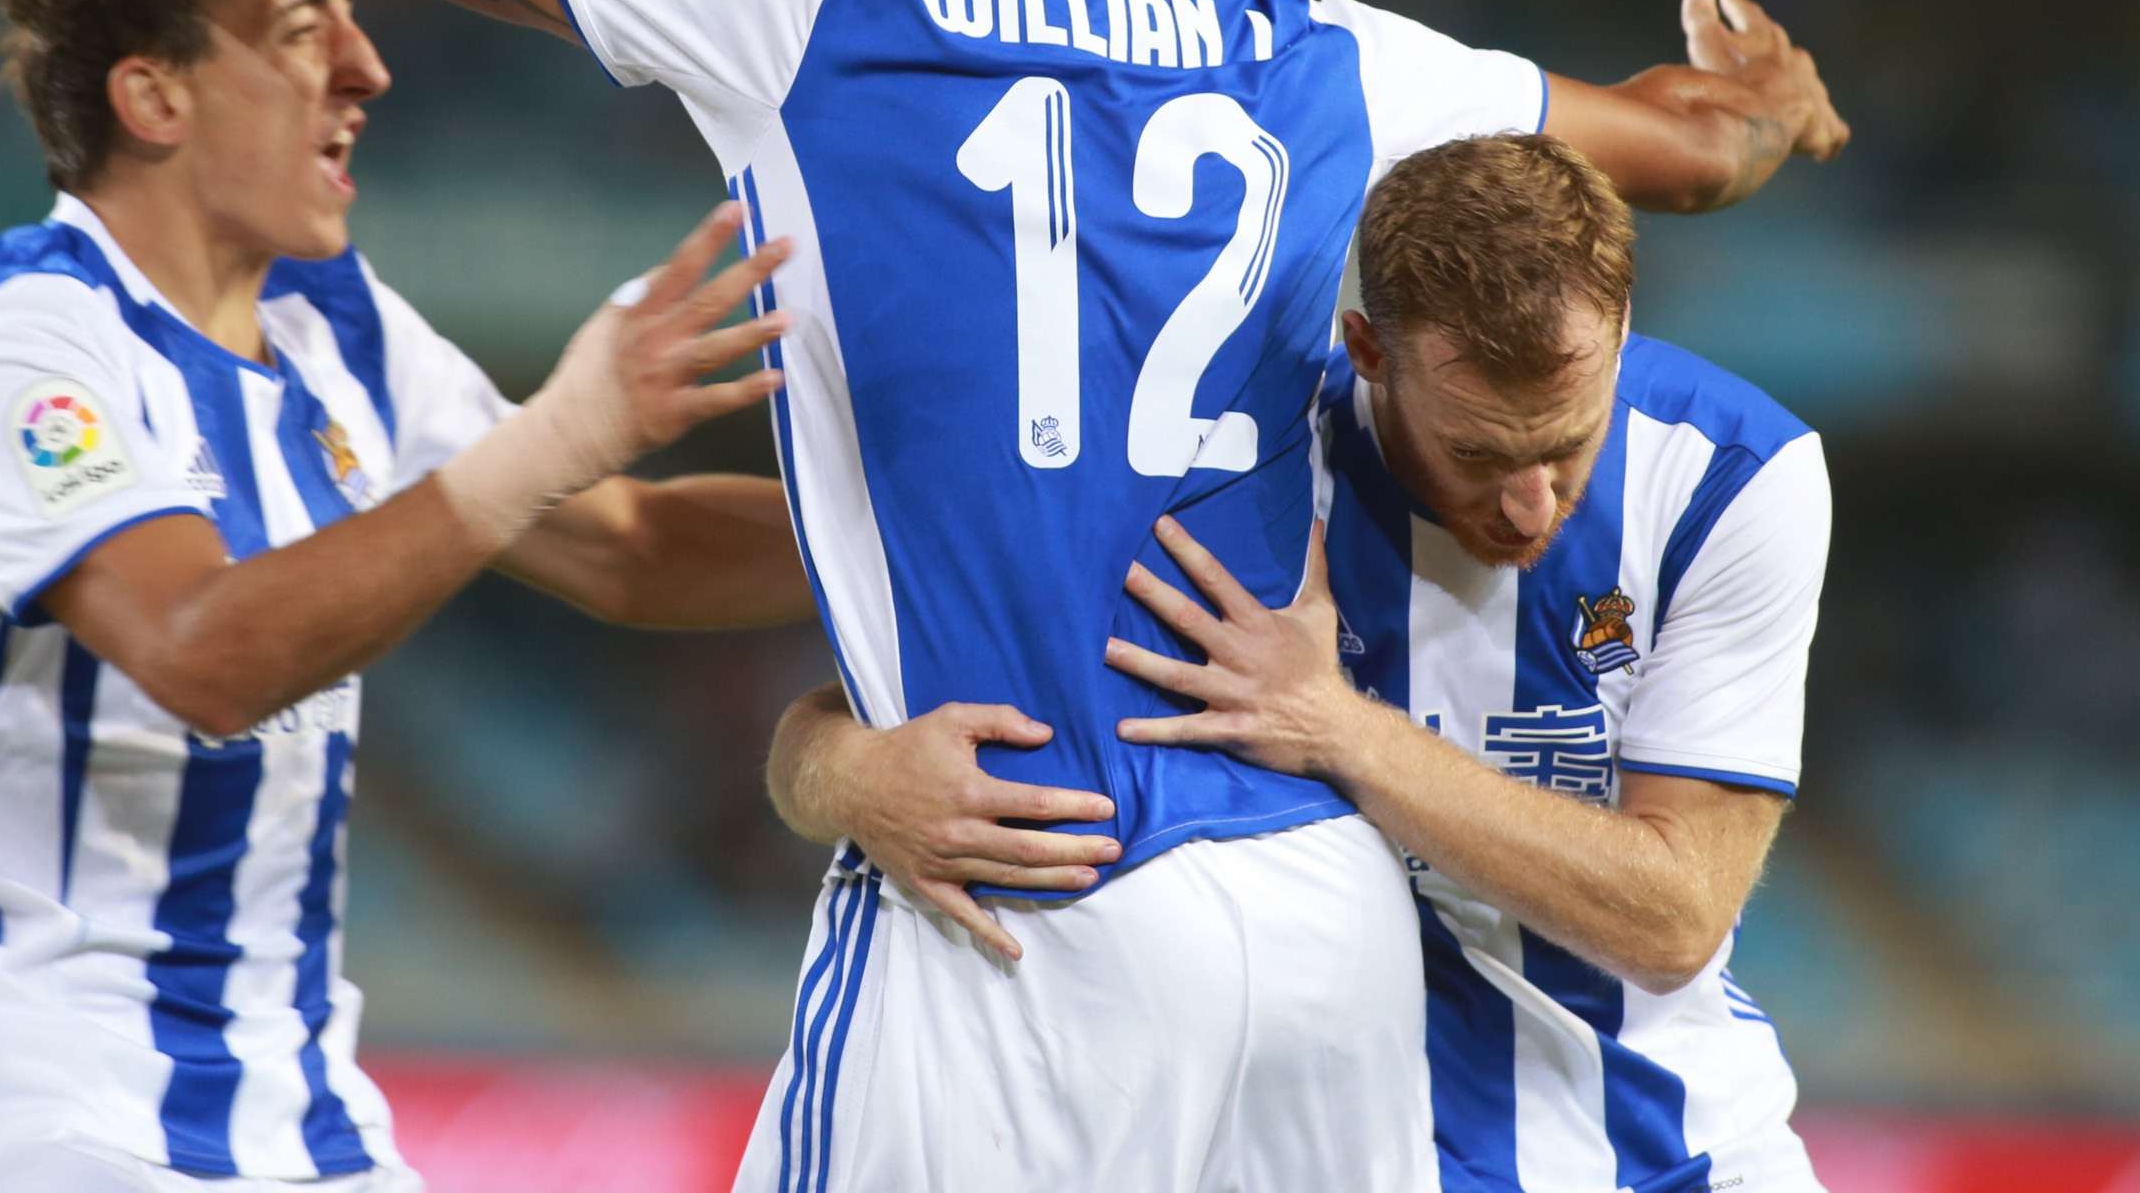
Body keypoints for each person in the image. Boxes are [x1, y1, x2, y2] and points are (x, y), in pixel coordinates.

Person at [0, 0, 1848, 1191]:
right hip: (1313, 921)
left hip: (1024, 889)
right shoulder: (1339, 58)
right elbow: (1676, 141)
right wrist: (1764, 103)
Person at [0, 0, 813, 1192]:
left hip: (300, 1127)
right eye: (304, 28)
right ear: (154, 93)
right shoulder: (17, 349)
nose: (366, 68)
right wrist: (557, 432)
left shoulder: (335, 331)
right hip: (39, 1117)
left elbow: (627, 546)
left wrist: (975, 530)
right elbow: (204, 654)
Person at [775, 133, 1833, 1193]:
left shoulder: (1733, 479)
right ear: (1369, 348)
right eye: (1480, 453)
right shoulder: (1230, 468)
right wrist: (851, 775)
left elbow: (1674, 917)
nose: (1531, 503)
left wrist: (1338, 724)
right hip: (1327, 1152)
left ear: (1622, 331)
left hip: (1680, 1156)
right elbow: (857, 686)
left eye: (1568, 439)